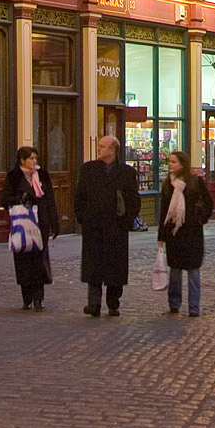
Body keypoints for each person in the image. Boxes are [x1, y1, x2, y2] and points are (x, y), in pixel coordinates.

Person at [71, 134, 141, 316]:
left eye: (102, 146)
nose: (98, 149)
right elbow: (79, 196)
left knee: (114, 268)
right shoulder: (88, 170)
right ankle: (93, 304)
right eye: (99, 146)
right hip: (93, 227)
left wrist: (127, 220)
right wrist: (82, 218)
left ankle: (113, 303)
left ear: (113, 150)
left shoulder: (126, 173)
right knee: (94, 267)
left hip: (116, 228)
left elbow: (134, 200)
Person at [157, 148, 215, 317]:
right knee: (174, 271)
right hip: (174, 234)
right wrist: (161, 236)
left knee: (193, 271)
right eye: (169, 162)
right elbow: (164, 212)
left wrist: (199, 219)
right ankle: (174, 304)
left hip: (192, 234)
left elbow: (208, 205)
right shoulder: (168, 185)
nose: (170, 165)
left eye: (173, 162)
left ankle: (194, 307)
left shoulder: (195, 183)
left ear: (182, 165)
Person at [2, 146, 54, 310]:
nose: (34, 161)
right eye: (31, 158)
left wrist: (55, 223)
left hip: (40, 224)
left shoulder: (42, 176)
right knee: (24, 262)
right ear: (22, 160)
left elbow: (50, 200)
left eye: (35, 158)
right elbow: (5, 200)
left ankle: (39, 298)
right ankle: (27, 297)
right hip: (22, 226)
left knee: (40, 260)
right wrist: (20, 199)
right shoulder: (13, 177)